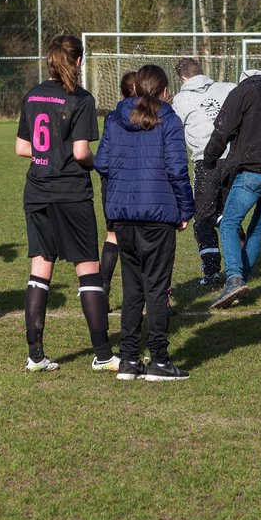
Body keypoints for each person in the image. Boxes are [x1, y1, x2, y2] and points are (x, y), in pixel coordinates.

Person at [15, 34, 116, 373]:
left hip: (37, 191)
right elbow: (80, 152)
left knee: (40, 269)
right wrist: (96, 164)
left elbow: (21, 147)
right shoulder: (81, 99)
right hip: (70, 193)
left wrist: (48, 153)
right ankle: (103, 355)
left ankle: (35, 355)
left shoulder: (32, 95)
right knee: (88, 268)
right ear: (77, 61)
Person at [94, 64, 195, 381]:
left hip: (124, 215)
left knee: (133, 289)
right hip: (157, 215)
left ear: (135, 88)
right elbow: (178, 169)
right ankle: (160, 361)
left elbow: (102, 163)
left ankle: (128, 359)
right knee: (156, 288)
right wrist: (185, 210)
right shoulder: (169, 120)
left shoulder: (115, 118)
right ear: (165, 92)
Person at [201, 68, 261, 309]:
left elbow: (223, 129)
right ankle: (241, 281)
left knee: (229, 223)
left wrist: (209, 159)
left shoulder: (244, 91)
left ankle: (234, 279)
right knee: (258, 230)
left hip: (252, 173)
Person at [171, 57, 236, 286]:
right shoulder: (227, 88)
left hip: (206, 161)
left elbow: (173, 130)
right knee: (228, 214)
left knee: (203, 217)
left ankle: (211, 273)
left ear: (182, 78)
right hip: (233, 159)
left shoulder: (181, 99)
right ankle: (238, 266)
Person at [99, 70, 140, 295]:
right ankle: (159, 297)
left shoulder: (111, 118)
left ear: (121, 93)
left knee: (113, 235)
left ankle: (102, 288)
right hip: (142, 184)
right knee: (146, 240)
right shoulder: (152, 116)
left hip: (114, 184)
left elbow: (102, 158)